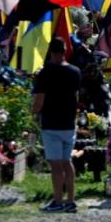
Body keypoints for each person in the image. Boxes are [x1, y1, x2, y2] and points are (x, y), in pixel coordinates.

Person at [32, 37, 82, 213]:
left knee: (56, 165)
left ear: (50, 52)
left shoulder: (45, 73)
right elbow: (76, 99)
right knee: (67, 162)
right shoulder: (75, 72)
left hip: (51, 123)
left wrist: (32, 114)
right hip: (69, 123)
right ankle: (71, 201)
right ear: (65, 50)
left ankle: (58, 200)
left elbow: (39, 100)